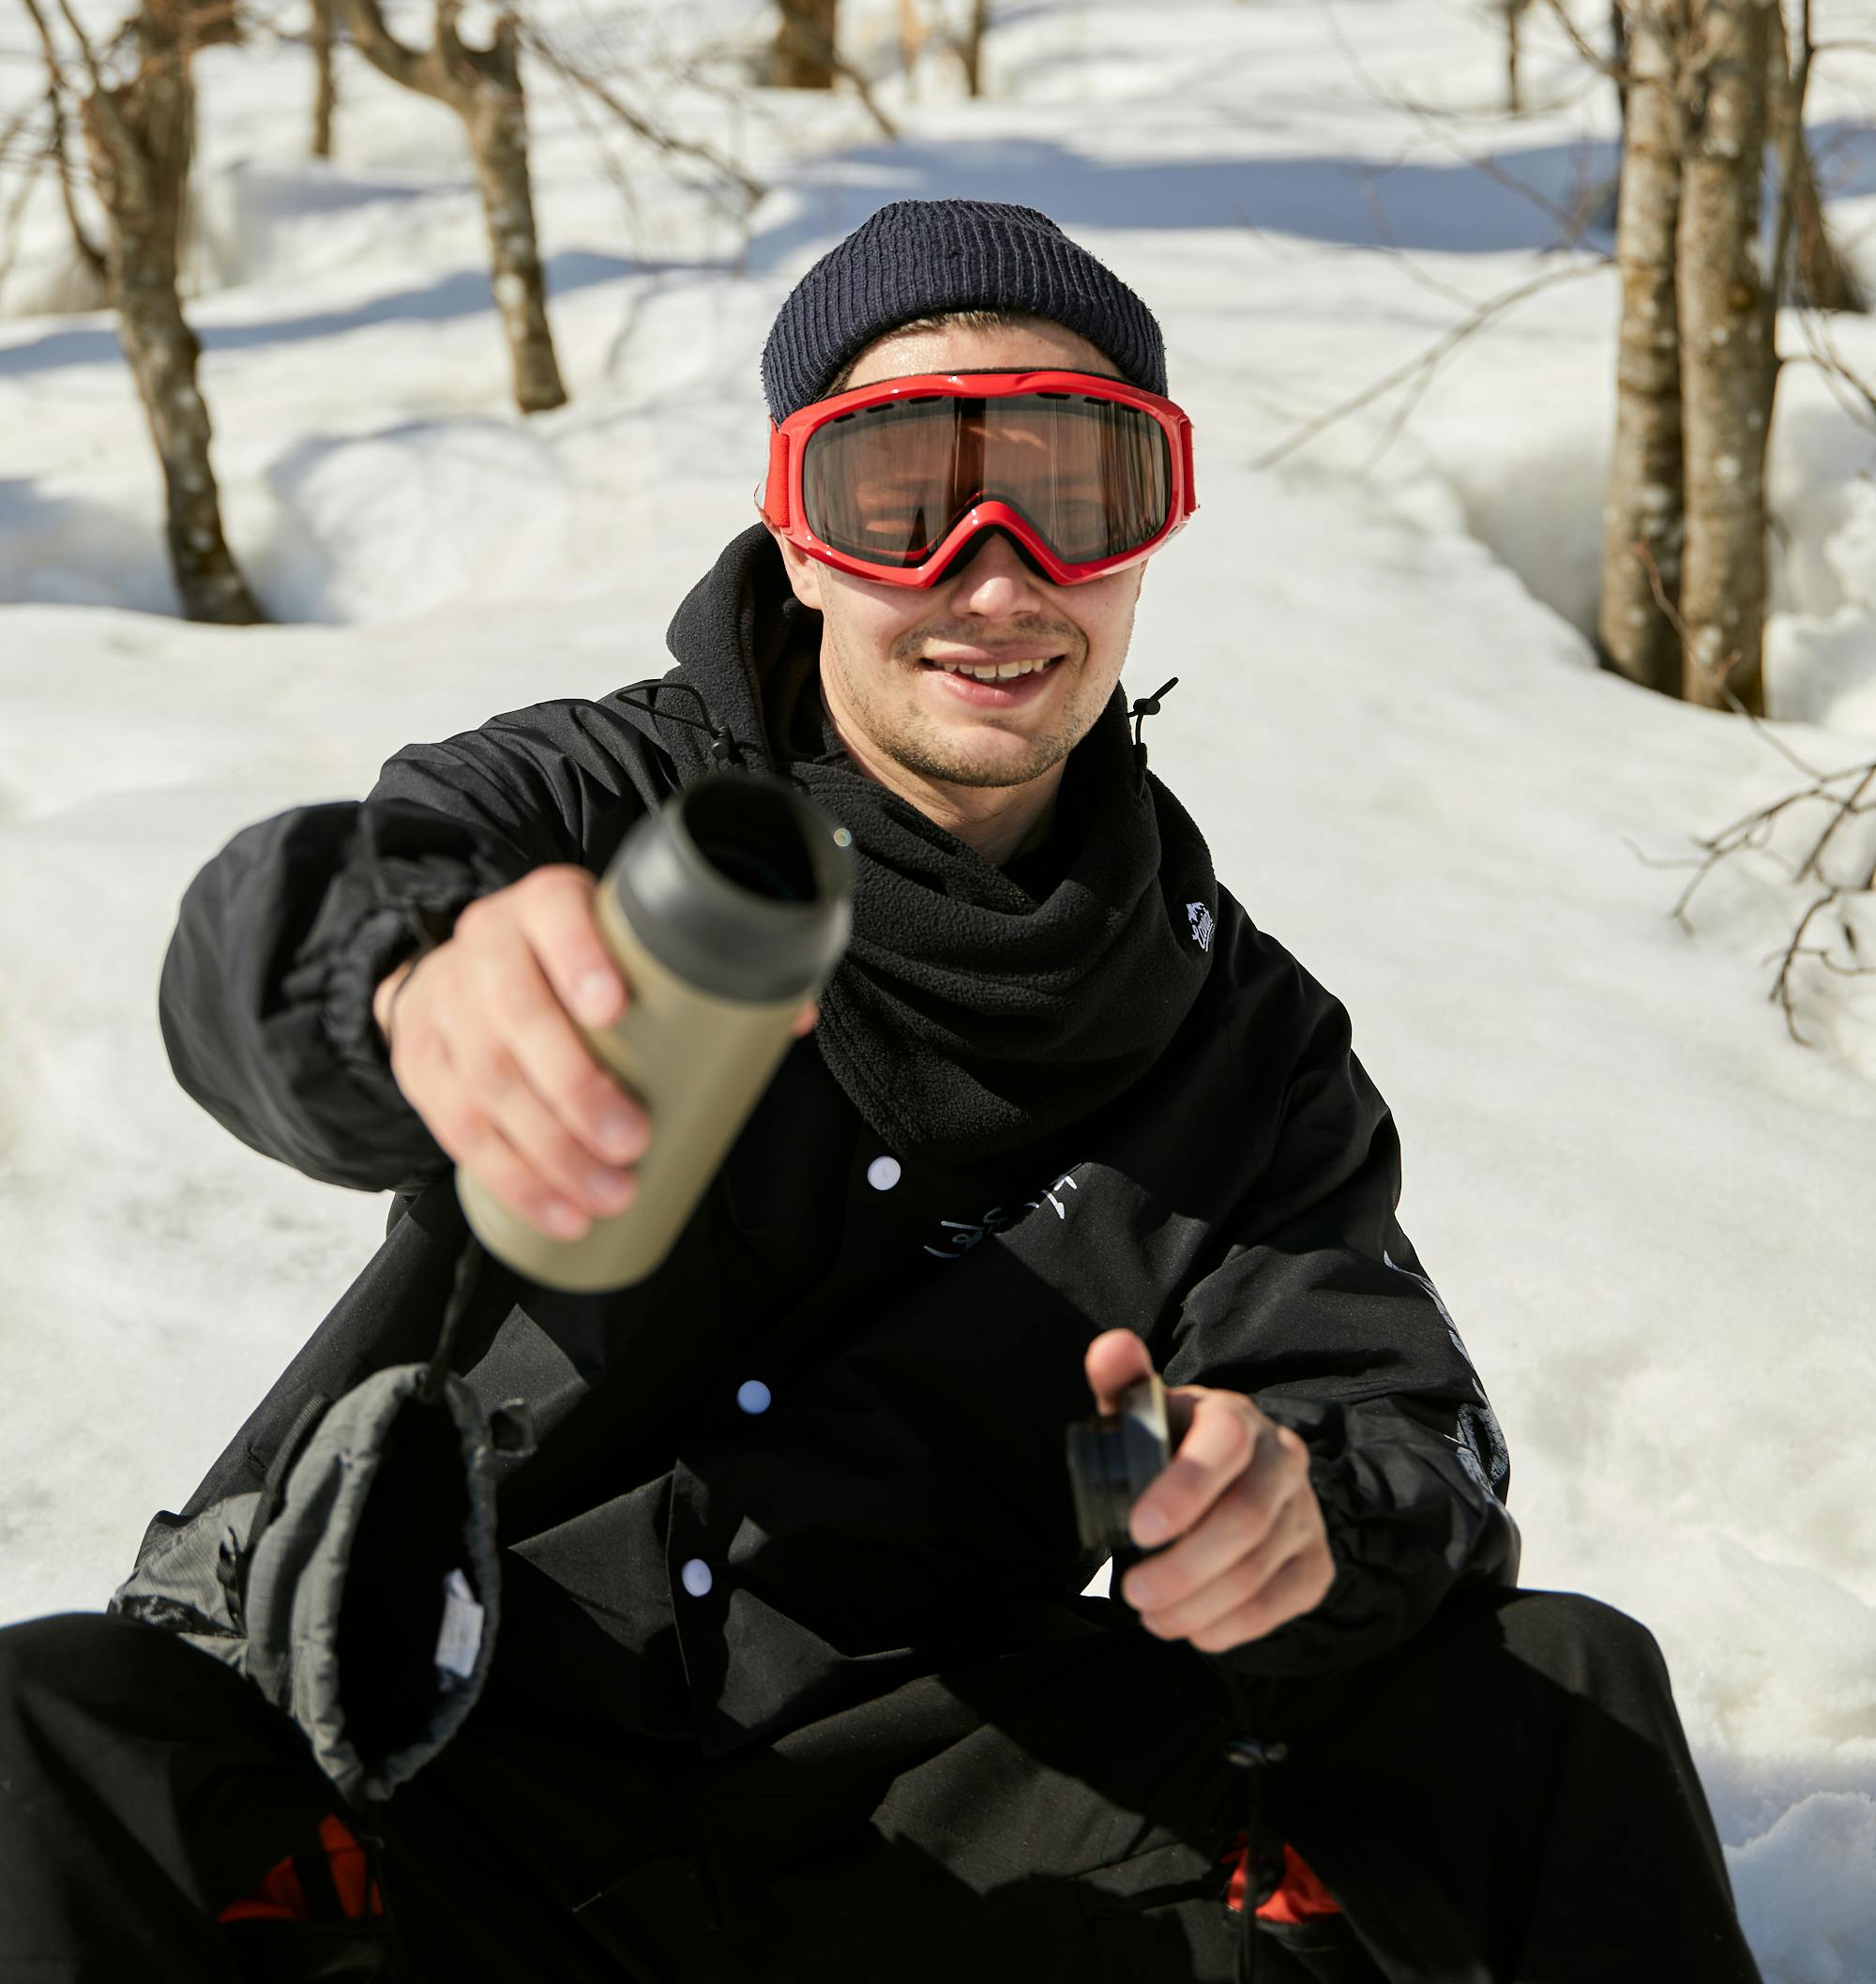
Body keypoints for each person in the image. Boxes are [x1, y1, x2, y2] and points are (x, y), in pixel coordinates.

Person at [0, 199, 1760, 1984]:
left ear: (1148, 541)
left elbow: (1395, 1423)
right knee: (39, 1741)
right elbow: (278, 928)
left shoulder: (1238, 1037)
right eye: (900, 496)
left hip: (935, 1811)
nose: (995, 577)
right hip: (444, 1747)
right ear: (800, 532)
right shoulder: (600, 814)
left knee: (1558, 1697)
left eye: (1074, 497)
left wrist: (1295, 1516)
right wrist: (405, 986)